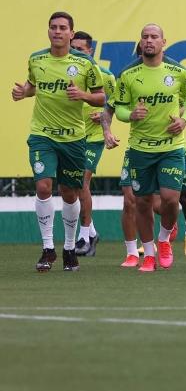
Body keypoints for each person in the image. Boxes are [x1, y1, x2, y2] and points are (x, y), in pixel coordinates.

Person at [12, 12, 105, 272]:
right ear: (48, 31)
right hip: (42, 134)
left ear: (71, 33)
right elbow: (33, 86)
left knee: (69, 193)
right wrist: (23, 92)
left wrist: (83, 95)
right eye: (53, 27)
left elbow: (101, 98)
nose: (57, 31)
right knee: (43, 187)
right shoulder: (37, 59)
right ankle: (48, 248)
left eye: (63, 28)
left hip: (74, 138)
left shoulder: (85, 63)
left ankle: (68, 248)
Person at [114, 23, 186, 272]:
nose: (149, 40)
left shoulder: (178, 72)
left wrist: (184, 119)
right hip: (140, 150)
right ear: (140, 43)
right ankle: (148, 255)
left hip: (171, 148)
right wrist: (131, 114)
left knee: (172, 200)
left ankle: (164, 240)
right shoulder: (128, 75)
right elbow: (119, 108)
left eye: (154, 37)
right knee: (141, 203)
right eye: (145, 37)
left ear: (164, 42)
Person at [69, 31, 117, 257]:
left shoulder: (105, 76)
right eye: (73, 48)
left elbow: (115, 105)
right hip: (71, 136)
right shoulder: (66, 73)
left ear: (91, 51)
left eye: (81, 49)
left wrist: (105, 119)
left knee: (81, 182)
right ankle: (93, 233)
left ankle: (83, 237)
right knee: (71, 187)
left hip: (94, 138)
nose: (76, 52)